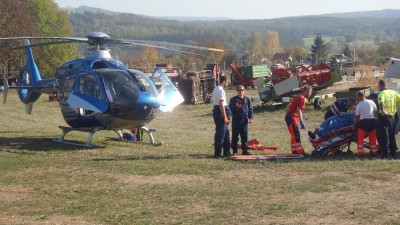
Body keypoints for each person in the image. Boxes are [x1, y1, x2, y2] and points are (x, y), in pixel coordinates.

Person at [285, 85, 312, 155]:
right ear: (306, 91)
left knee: (294, 135)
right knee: (296, 135)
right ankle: (300, 152)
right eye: (310, 92)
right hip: (292, 118)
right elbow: (298, 110)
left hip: (291, 117)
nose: (310, 94)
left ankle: (295, 151)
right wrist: (301, 121)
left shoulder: (300, 97)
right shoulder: (302, 98)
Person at [377, 79, 400, 159]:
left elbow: (381, 102)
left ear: (380, 85)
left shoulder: (381, 93)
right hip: (393, 116)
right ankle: (393, 154)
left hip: (384, 116)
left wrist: (383, 111)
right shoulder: (393, 92)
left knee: (384, 135)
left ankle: (385, 154)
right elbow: (399, 100)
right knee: (392, 134)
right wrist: (396, 108)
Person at [229, 85, 254, 156]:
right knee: (235, 136)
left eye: (242, 90)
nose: (241, 92)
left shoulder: (247, 99)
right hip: (236, 120)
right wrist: (235, 107)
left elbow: (250, 109)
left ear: (244, 90)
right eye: (239, 90)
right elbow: (230, 109)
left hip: (244, 120)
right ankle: (234, 150)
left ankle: (245, 150)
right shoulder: (233, 99)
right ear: (237, 91)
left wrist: (250, 117)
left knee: (244, 135)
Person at [354, 91, 378, 157]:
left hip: (363, 123)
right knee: (372, 137)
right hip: (372, 122)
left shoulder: (359, 105)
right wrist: (375, 118)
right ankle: (374, 152)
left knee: (360, 139)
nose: (357, 98)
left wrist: (355, 125)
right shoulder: (371, 102)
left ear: (360, 96)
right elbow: (376, 111)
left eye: (357, 97)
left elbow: (357, 116)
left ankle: (360, 153)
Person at [212, 76, 231, 158]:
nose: (227, 83)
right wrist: (224, 116)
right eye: (227, 82)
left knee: (226, 133)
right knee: (221, 133)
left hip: (217, 110)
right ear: (224, 81)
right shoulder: (221, 90)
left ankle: (226, 152)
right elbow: (221, 104)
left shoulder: (216, 89)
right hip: (220, 112)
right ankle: (218, 153)